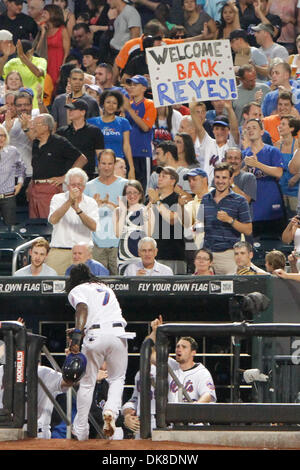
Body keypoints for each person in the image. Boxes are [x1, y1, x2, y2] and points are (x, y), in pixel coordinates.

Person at [66, 263, 132, 440]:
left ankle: (81, 429)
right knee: (117, 378)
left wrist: (77, 336)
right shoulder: (105, 287)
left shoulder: (77, 289)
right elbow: (103, 315)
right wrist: (83, 329)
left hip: (95, 335)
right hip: (119, 333)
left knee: (87, 383)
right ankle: (110, 411)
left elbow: (82, 308)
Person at [27, 113, 88, 219]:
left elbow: (82, 159)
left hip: (50, 189)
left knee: (49, 224)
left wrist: (65, 177)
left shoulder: (59, 142)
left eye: (35, 124)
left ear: (46, 127)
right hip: (34, 189)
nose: (32, 127)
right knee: (34, 225)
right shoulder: (36, 144)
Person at [198, 162, 252, 275]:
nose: (220, 181)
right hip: (208, 255)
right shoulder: (205, 198)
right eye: (217, 177)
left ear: (230, 179)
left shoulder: (240, 201)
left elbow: (248, 230)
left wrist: (230, 220)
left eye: (224, 177)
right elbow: (200, 223)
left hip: (229, 256)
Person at [46, 167, 99, 275]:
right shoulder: (57, 198)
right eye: (73, 185)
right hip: (59, 252)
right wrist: (69, 201)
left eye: (79, 185)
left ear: (84, 187)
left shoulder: (91, 202)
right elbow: (53, 220)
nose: (76, 188)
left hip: (83, 254)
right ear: (67, 185)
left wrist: (78, 210)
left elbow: (94, 227)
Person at [84, 149, 128, 275]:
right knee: (97, 281)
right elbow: (84, 215)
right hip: (96, 244)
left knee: (120, 283)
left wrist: (112, 205)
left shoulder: (125, 185)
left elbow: (129, 213)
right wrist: (95, 206)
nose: (107, 167)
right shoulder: (89, 186)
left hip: (119, 244)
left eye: (110, 164)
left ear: (114, 164)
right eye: (103, 163)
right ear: (98, 164)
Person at [242, 118, 285, 238]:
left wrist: (257, 165)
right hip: (253, 210)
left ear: (262, 132)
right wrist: (246, 166)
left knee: (276, 245)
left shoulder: (272, 151)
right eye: (248, 128)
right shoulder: (244, 154)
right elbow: (238, 178)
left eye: (254, 127)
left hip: (272, 207)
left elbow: (278, 173)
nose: (251, 130)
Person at [147, 166, 188, 274]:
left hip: (173, 255)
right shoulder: (151, 199)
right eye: (159, 176)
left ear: (172, 181)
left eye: (163, 176)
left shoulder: (178, 199)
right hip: (154, 256)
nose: (159, 178)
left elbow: (172, 219)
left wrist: (157, 203)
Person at [87, 89, 135, 179]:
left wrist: (131, 168)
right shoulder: (92, 122)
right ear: (102, 104)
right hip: (99, 168)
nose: (111, 105)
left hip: (118, 167)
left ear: (118, 106)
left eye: (114, 103)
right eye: (108, 102)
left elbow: (127, 146)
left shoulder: (123, 122)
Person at [190, 99, 239, 185]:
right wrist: (192, 109)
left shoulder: (231, 145)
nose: (219, 132)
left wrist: (229, 109)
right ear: (213, 131)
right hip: (209, 188)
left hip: (227, 187)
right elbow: (199, 128)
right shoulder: (208, 142)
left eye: (223, 129)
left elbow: (235, 130)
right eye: (217, 129)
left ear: (228, 131)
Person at [123, 74, 157, 192]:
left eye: (135, 85)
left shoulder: (149, 104)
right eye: (130, 84)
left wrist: (130, 110)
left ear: (144, 88)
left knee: (143, 189)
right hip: (127, 154)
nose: (131, 87)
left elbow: (145, 127)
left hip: (143, 152)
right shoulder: (128, 105)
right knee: (128, 188)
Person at [56, 98, 104, 181]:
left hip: (87, 176)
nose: (70, 112)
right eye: (69, 109)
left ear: (83, 112)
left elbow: (100, 155)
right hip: (64, 177)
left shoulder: (94, 131)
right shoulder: (61, 132)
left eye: (73, 109)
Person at [113, 179, 154, 274]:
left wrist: (145, 216)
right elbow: (118, 234)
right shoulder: (118, 211)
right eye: (129, 193)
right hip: (124, 258)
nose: (132, 196)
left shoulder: (147, 210)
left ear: (140, 194)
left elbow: (149, 235)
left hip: (142, 257)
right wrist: (123, 211)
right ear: (124, 195)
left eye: (135, 192)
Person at [2, 38, 47, 109]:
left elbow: (38, 73)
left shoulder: (41, 61)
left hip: (35, 107)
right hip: (17, 108)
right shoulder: (13, 62)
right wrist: (4, 57)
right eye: (19, 55)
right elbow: (1, 74)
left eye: (25, 54)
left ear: (32, 51)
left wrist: (22, 56)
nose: (21, 57)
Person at [37, 3, 70, 88]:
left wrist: (62, 72)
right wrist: (43, 33)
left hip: (58, 64)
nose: (42, 14)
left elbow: (67, 52)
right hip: (45, 64)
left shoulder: (62, 30)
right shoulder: (42, 29)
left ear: (53, 13)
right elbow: (37, 50)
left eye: (45, 12)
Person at [0, 122, 26, 229]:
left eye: (3, 135)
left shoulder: (12, 151)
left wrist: (19, 184)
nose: (1, 138)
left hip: (8, 197)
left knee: (10, 229)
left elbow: (21, 168)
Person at [275, 115, 300, 217]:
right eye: (280, 124)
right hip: (280, 189)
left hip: (295, 189)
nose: (280, 126)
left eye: (283, 124)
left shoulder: (298, 144)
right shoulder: (276, 145)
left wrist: (296, 177)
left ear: (291, 128)